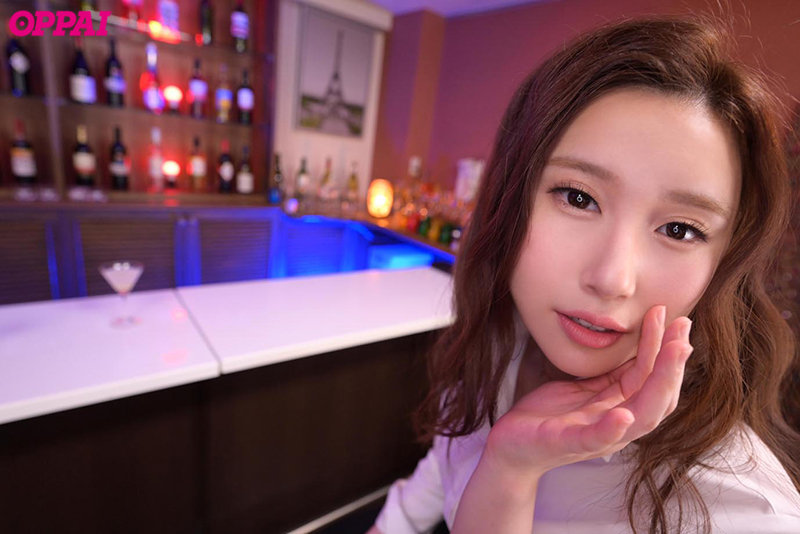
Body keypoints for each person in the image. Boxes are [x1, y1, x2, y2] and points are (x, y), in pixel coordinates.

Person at [367, 15, 800, 534]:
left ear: (723, 263)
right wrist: (506, 467)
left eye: (680, 230)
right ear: (509, 197)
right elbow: (439, 476)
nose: (612, 279)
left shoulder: (741, 511)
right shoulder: (501, 345)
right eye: (578, 197)